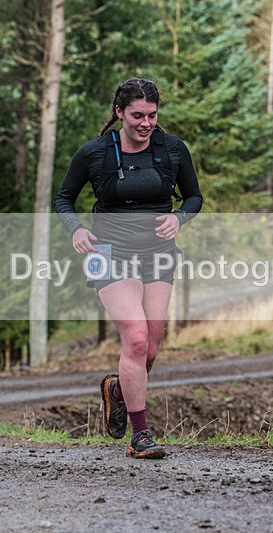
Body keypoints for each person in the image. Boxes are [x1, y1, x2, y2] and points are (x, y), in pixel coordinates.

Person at [54, 78, 203, 459]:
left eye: (152, 115)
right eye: (137, 115)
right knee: (135, 338)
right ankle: (141, 436)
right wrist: (76, 230)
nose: (146, 122)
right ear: (119, 113)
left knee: (150, 348)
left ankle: (118, 389)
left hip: (158, 252)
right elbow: (64, 198)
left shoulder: (172, 149)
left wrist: (180, 219)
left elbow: (194, 196)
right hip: (109, 251)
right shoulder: (94, 153)